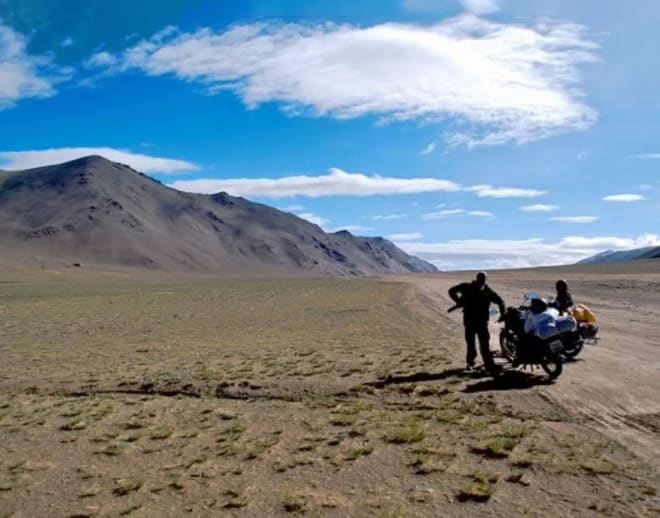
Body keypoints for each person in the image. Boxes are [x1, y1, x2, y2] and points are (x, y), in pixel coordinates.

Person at [448, 272, 506, 373]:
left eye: (483, 279)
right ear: (477, 278)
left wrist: (503, 314)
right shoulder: (467, 287)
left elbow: (500, 301)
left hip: (482, 322)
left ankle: (488, 364)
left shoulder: (487, 291)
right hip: (470, 321)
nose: (481, 281)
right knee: (471, 344)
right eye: (480, 278)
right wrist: (458, 301)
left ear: (485, 280)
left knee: (484, 344)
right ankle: (471, 364)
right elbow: (451, 291)